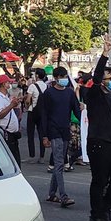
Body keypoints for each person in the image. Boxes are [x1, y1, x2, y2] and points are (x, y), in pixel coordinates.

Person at [82, 35, 111, 221]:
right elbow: (97, 76)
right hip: (99, 141)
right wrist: (104, 55)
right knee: (100, 180)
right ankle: (96, 215)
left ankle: (105, 209)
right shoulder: (94, 93)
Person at [38, 65, 80, 207]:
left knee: (59, 163)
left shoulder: (69, 93)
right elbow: (43, 115)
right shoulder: (48, 94)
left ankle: (51, 193)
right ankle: (63, 196)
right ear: (55, 78)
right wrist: (44, 136)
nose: (64, 79)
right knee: (59, 163)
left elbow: (77, 110)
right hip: (53, 131)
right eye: (61, 77)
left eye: (65, 76)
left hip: (65, 131)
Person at [0, 74, 22, 162]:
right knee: (11, 160)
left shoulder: (4, 97)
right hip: (6, 134)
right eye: (8, 82)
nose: (10, 84)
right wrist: (11, 105)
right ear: (4, 84)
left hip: (11, 135)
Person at [24, 69, 48, 163]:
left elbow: (27, 100)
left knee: (30, 134)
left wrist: (27, 106)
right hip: (43, 113)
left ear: (37, 75)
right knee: (42, 134)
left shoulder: (32, 86)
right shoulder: (46, 86)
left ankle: (32, 155)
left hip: (33, 111)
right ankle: (42, 156)